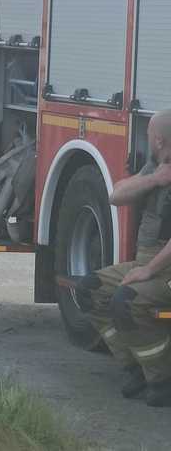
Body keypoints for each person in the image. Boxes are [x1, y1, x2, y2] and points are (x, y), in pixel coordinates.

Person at [75, 110, 171, 406]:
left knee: (127, 301)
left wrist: (148, 271)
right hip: (147, 263)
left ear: (157, 140)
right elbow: (117, 195)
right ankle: (135, 368)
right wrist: (155, 179)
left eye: (147, 137)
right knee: (90, 290)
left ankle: (160, 379)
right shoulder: (157, 167)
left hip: (164, 267)